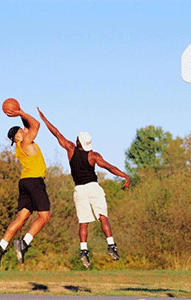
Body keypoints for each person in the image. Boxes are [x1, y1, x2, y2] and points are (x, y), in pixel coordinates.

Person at [37, 107, 130, 268]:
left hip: (79, 189)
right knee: (103, 216)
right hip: (94, 187)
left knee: (84, 222)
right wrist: (125, 176)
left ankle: (84, 251)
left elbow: (57, 133)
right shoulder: (93, 155)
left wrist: (44, 120)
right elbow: (109, 167)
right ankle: (111, 246)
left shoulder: (71, 149)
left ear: (78, 141)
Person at [0, 107, 51, 268]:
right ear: (18, 136)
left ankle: (0, 247)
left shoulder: (19, 146)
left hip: (24, 182)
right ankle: (24, 243)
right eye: (21, 131)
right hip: (34, 181)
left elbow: (28, 126)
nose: (25, 131)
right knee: (44, 217)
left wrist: (20, 113)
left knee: (21, 218)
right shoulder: (25, 141)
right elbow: (36, 125)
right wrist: (21, 112)